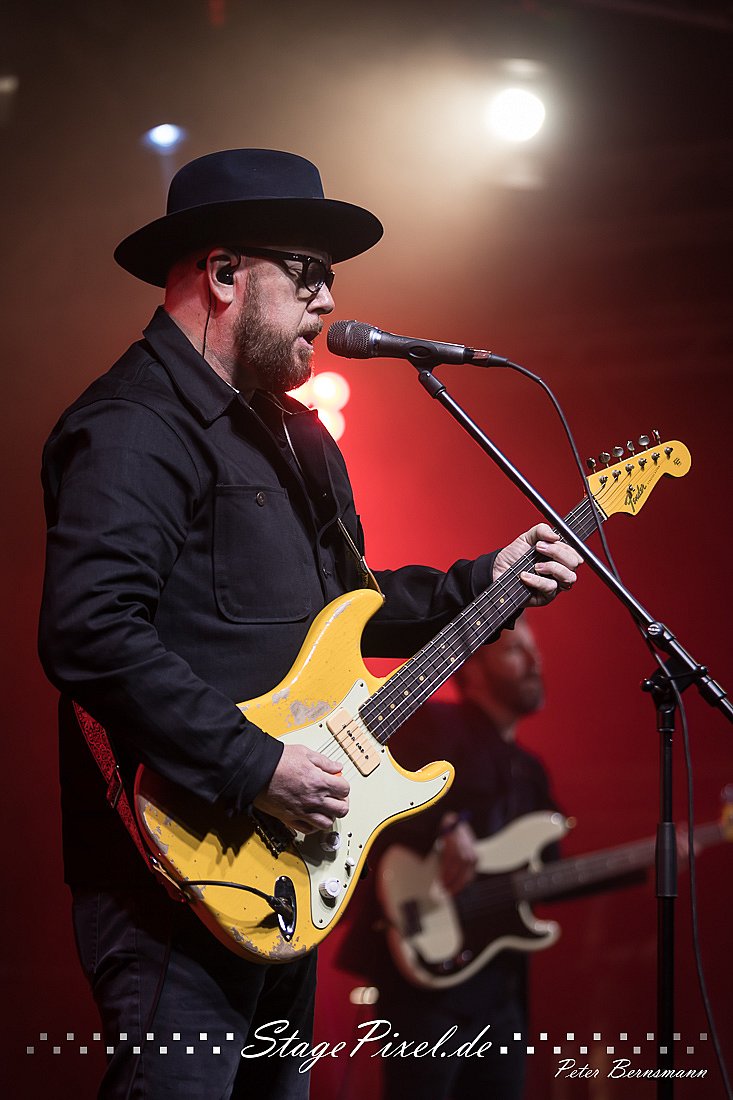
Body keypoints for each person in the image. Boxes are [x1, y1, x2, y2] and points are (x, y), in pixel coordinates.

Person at [37, 148, 581, 1100]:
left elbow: (353, 607)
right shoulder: (133, 425)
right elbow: (88, 630)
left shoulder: (299, 436)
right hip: (173, 874)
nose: (329, 302)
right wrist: (258, 766)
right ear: (222, 273)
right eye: (307, 273)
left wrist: (484, 582)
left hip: (289, 866)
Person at [335, 617, 557, 1100]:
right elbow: (365, 800)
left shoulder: (532, 771)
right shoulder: (432, 725)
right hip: (421, 976)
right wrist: (443, 825)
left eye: (534, 650)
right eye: (515, 650)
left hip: (501, 987)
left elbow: (551, 872)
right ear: (472, 667)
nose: (534, 662)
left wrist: (657, 858)